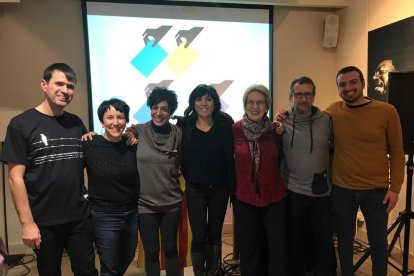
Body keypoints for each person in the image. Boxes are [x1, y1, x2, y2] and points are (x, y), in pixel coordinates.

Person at [0, 63, 97, 275]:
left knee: (87, 271)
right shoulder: (21, 124)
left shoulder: (75, 123)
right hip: (43, 222)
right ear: (44, 85)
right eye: (59, 83)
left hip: (79, 218)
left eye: (70, 86)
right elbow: (14, 179)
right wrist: (27, 224)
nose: (65, 90)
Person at [326, 66, 405, 276]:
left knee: (378, 242)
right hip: (342, 189)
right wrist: (283, 115)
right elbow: (309, 120)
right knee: (343, 240)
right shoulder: (333, 111)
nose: (348, 88)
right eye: (342, 84)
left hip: (376, 190)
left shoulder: (387, 111)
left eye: (353, 82)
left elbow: (398, 153)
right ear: (338, 88)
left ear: (363, 83)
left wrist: (395, 188)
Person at [279, 76, 336, 275]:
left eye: (307, 94)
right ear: (291, 96)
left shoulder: (327, 120)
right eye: (299, 94)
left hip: (321, 193)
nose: (303, 99)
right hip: (293, 192)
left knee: (324, 241)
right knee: (296, 241)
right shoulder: (281, 122)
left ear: (313, 96)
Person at [176, 84, 235, 276]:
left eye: (208, 99)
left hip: (220, 187)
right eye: (199, 99)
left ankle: (213, 271)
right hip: (195, 189)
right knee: (199, 235)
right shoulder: (184, 125)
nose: (204, 103)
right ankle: (199, 273)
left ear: (215, 102)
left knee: (215, 233)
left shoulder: (225, 122)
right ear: (193, 102)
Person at [233, 84, 288, 276]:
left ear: (267, 105)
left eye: (260, 102)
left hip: (274, 198)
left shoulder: (276, 131)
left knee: (276, 249)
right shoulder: (235, 130)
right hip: (245, 199)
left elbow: (283, 159)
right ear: (245, 105)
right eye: (250, 102)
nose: (255, 106)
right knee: (249, 250)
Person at [82, 98, 139, 275]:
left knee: (127, 256)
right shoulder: (89, 144)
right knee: (110, 265)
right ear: (101, 120)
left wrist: (132, 135)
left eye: (120, 117)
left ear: (126, 120)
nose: (115, 123)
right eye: (109, 117)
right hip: (104, 215)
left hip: (131, 212)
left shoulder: (131, 145)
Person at [135, 87, 182, 276]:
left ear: (171, 111)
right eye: (155, 107)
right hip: (144, 204)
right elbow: (113, 136)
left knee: (170, 249)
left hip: (171, 202)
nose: (159, 113)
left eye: (164, 109)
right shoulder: (138, 131)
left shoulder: (179, 134)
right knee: (151, 252)